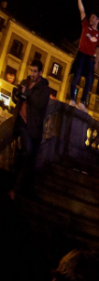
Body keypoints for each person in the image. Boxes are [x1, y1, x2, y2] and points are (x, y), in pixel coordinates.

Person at [12, 59, 51, 197]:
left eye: (35, 71)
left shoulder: (44, 89)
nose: (32, 74)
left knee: (29, 156)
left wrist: (27, 93)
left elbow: (40, 105)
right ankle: (15, 182)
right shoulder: (25, 82)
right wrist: (16, 96)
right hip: (21, 122)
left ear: (40, 73)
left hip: (33, 126)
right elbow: (16, 98)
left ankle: (17, 185)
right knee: (27, 150)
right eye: (31, 70)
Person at [69, 0, 99, 110]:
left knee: (89, 81)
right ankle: (72, 99)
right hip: (81, 54)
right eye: (91, 17)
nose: (91, 19)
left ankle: (82, 102)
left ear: (98, 20)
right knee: (76, 77)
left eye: (94, 17)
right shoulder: (85, 27)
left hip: (89, 58)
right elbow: (82, 11)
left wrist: (96, 62)